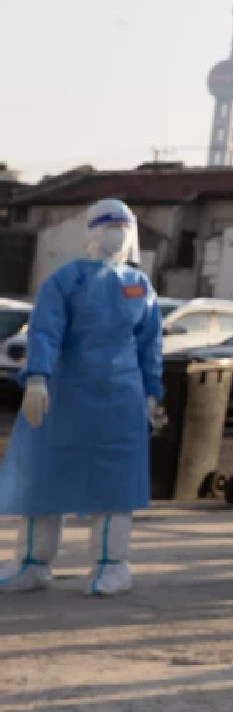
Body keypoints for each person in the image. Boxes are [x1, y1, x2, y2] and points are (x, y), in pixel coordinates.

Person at [0, 200, 163, 596]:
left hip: (122, 398)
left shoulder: (139, 286)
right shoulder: (65, 280)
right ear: (89, 231)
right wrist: (37, 378)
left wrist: (152, 394)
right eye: (108, 224)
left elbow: (150, 344)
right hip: (64, 394)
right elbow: (45, 332)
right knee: (45, 476)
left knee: (114, 484)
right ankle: (33, 563)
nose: (117, 232)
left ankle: (113, 565)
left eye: (124, 225)